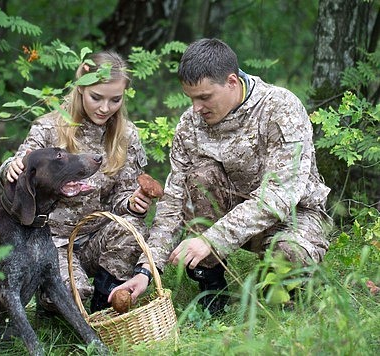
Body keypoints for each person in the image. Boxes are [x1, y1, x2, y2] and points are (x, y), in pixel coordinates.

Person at [109, 38, 333, 315]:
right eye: (191, 98)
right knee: (200, 177)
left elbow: (280, 195)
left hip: (293, 216)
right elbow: (174, 202)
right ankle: (211, 287)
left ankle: (285, 280)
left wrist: (212, 240)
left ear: (231, 81)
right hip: (229, 214)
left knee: (285, 266)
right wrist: (147, 268)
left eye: (204, 97)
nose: (196, 108)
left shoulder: (280, 108)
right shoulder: (190, 125)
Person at [0, 51, 153, 313]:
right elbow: (19, 166)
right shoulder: (49, 128)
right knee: (72, 296)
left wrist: (132, 203)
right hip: (51, 241)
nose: (105, 108)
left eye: (115, 100)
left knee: (130, 228)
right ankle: (53, 302)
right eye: (97, 97)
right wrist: (9, 168)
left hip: (96, 237)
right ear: (81, 88)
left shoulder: (125, 135)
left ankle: (105, 308)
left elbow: (123, 196)